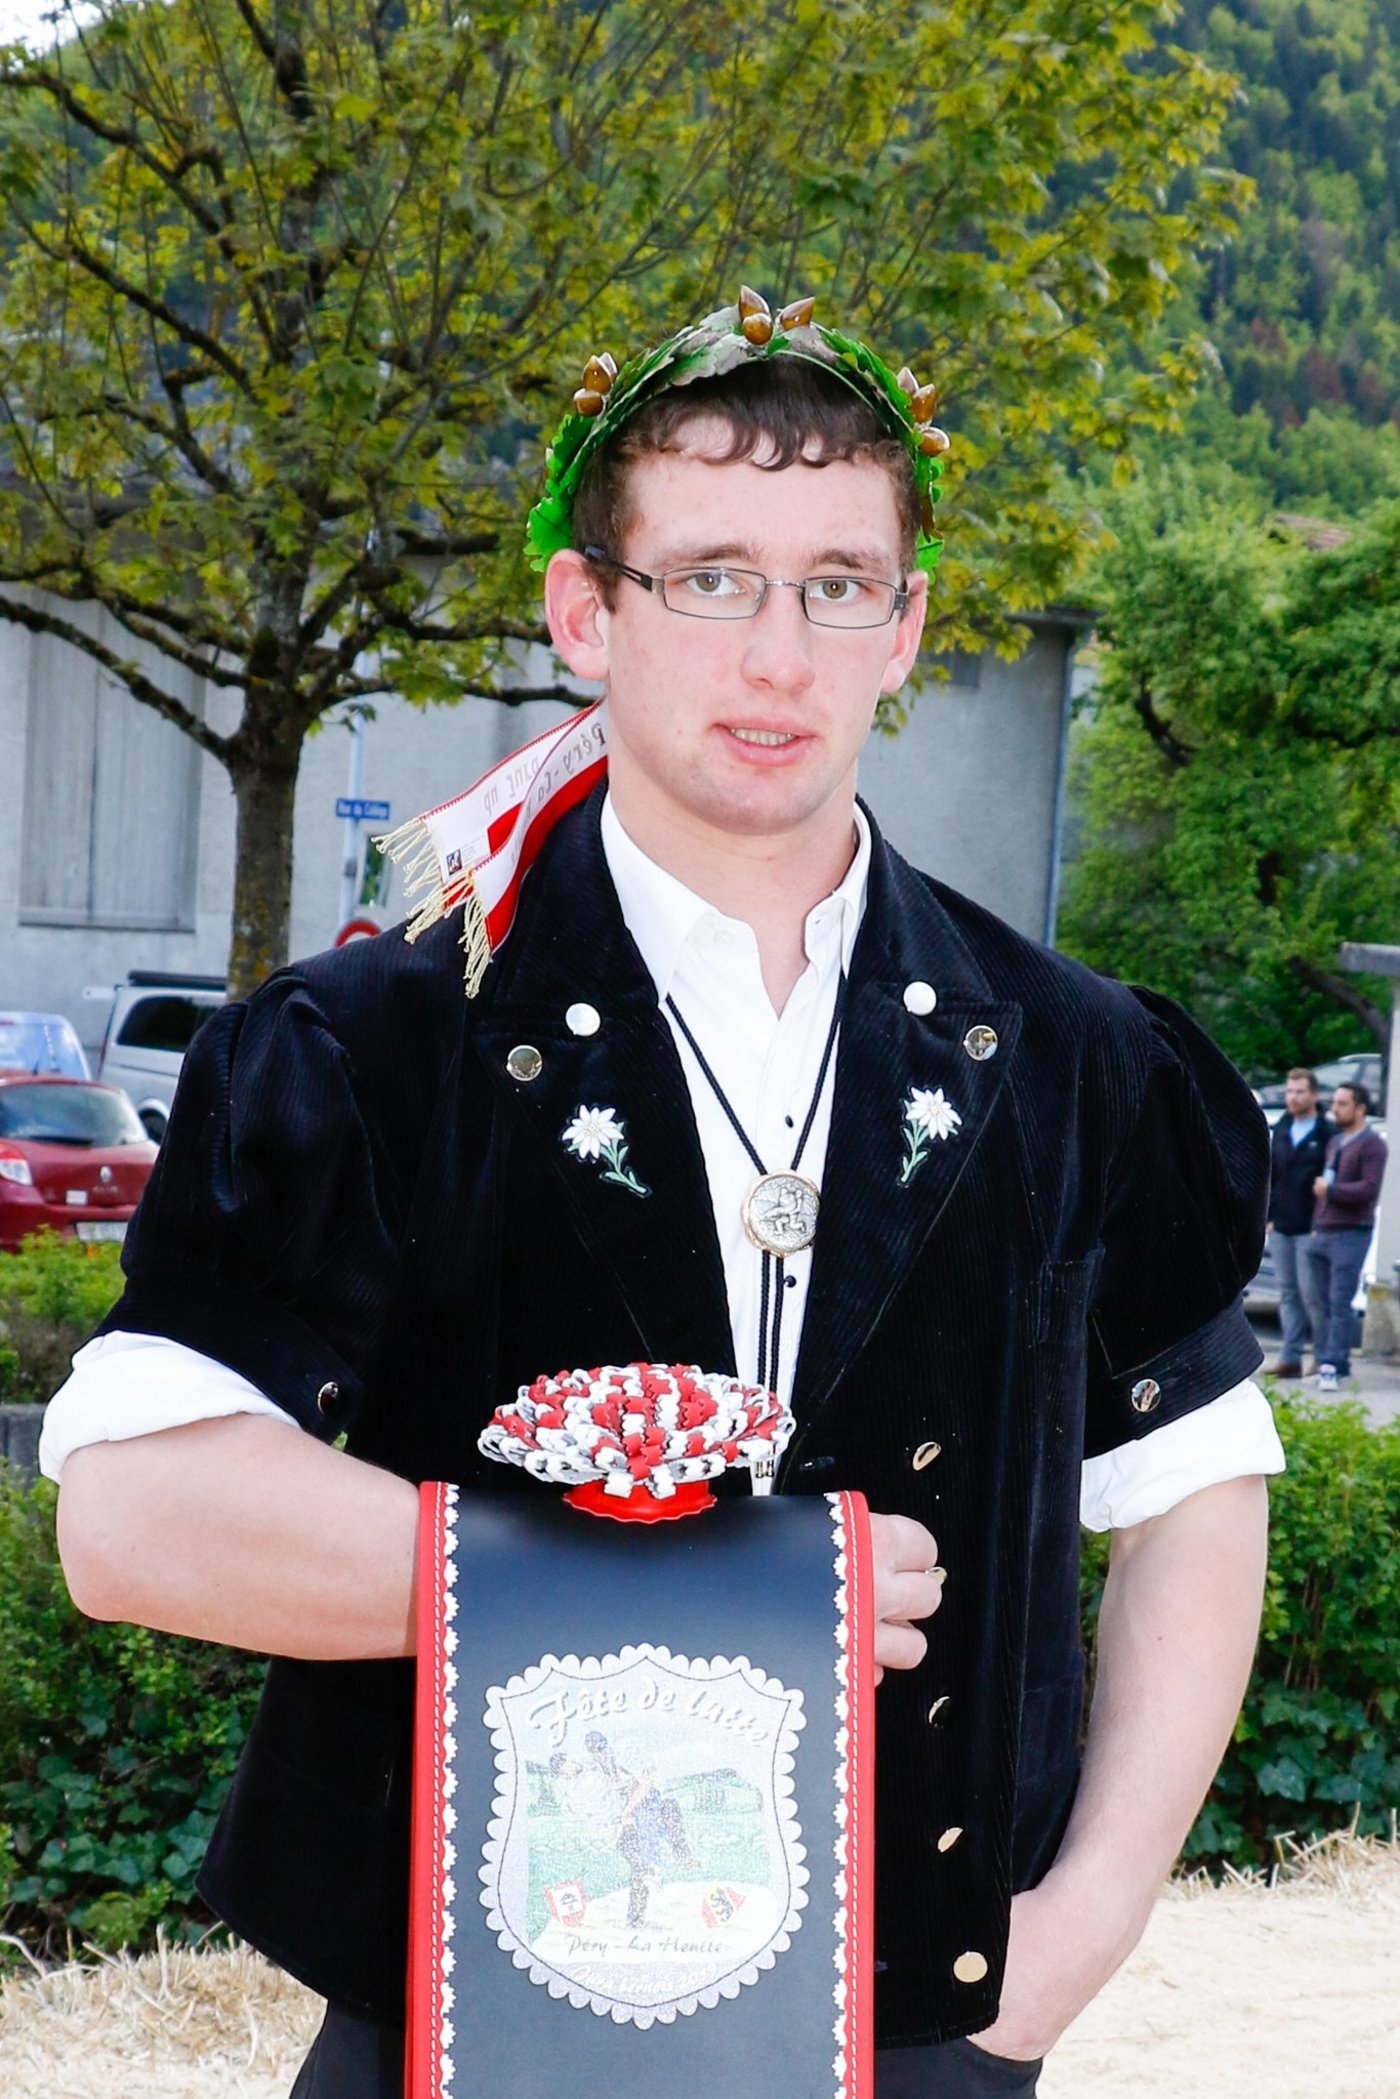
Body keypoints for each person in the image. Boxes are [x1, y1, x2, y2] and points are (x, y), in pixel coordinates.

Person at [41, 289, 1284, 2099]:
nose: (778, 654)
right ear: (585, 612)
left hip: (930, 2032)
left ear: (903, 630)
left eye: (839, 585)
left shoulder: (1079, 1053)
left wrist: (1077, 1931)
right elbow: (132, 1516)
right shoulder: (373, 1043)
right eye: (710, 577)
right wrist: (736, 1588)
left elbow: (1198, 1490)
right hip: (461, 2031)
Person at [1305, 1080, 1388, 1391]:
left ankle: (1333, 1363)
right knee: (1319, 1299)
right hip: (1323, 1228)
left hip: (1351, 1232)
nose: (1335, 1109)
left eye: (1342, 1104)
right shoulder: (1336, 1142)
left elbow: (1369, 1189)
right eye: (1334, 1103)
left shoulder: (1372, 1145)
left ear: (1360, 1108)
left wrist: (1332, 1191)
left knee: (1340, 1299)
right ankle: (1330, 1359)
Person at [1265, 1069, 1332, 1376]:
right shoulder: (1281, 1127)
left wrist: (1322, 1220)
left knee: (1312, 1294)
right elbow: (1271, 1175)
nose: (1293, 1097)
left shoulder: (1326, 1133)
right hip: (1281, 1224)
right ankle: (1290, 1358)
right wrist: (1267, 1216)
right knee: (1287, 1292)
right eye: (1290, 1091)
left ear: (1314, 1095)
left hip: (1310, 1225)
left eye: (1300, 1091)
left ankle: (1322, 1355)